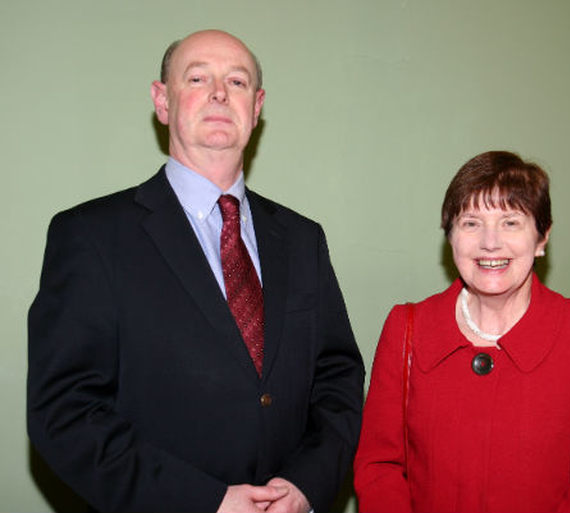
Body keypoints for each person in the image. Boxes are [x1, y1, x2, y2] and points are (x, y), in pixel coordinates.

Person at [28, 29, 364, 513]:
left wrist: (306, 485)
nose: (220, 93)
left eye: (238, 81)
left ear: (257, 106)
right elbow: (65, 412)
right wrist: (206, 502)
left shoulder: (302, 238)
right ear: (162, 101)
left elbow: (337, 378)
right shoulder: (90, 235)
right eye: (197, 77)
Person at [353, 151, 570, 512]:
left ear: (542, 238)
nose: (490, 242)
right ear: (450, 236)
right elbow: (379, 466)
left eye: (510, 222)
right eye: (471, 223)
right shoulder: (406, 329)